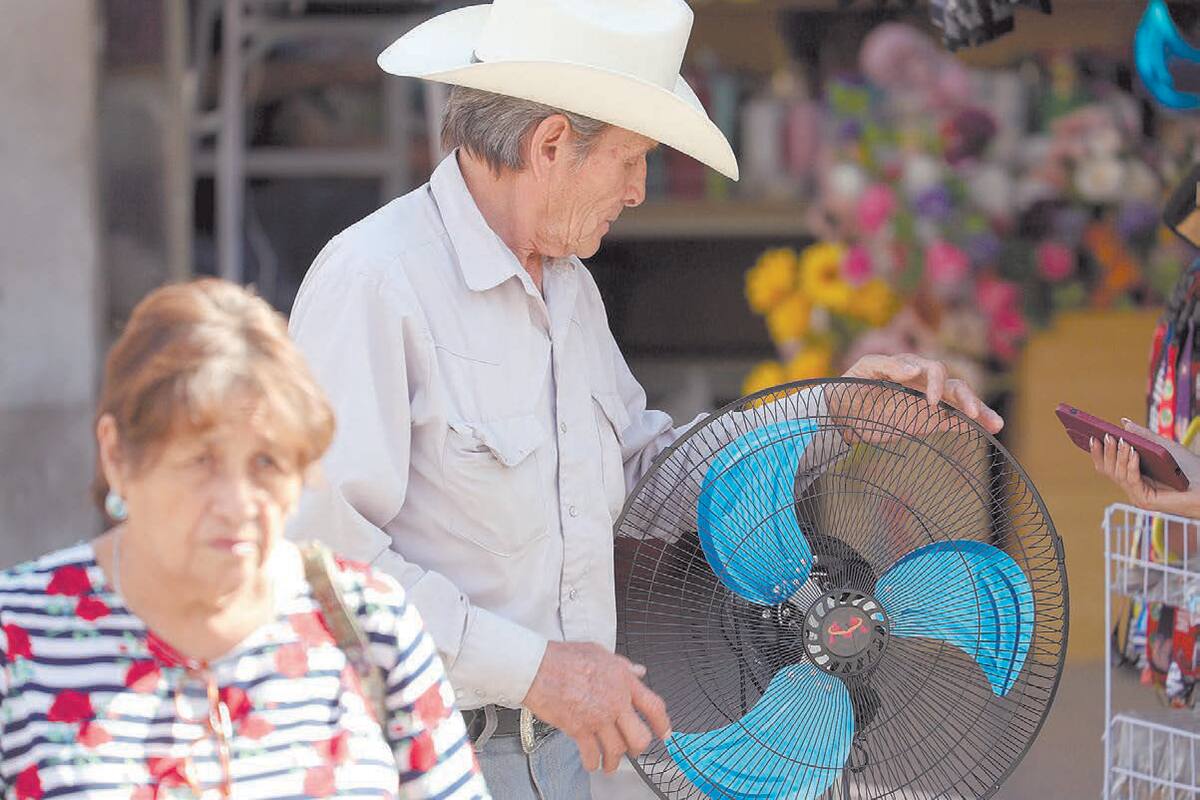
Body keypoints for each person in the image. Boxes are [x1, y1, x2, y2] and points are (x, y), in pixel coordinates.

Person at [287, 0, 1006, 796]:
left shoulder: (567, 290)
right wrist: (535, 671)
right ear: (551, 144)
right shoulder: (374, 282)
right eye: (632, 161)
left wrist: (831, 414)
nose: (637, 191)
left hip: (560, 757)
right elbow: (326, 563)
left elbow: (646, 476)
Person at [0, 279, 490, 799]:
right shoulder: (17, 638)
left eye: (266, 463)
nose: (236, 504)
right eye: (200, 462)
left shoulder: (371, 624)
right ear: (117, 457)